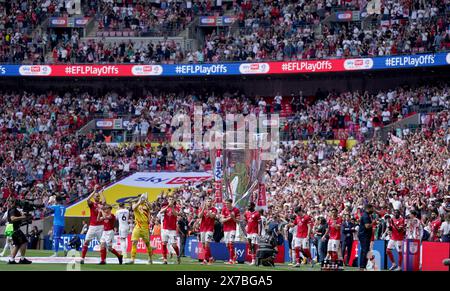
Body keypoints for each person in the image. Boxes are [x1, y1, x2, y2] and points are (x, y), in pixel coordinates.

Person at [80, 186, 106, 264]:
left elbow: (104, 201)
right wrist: (94, 191)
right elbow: (87, 199)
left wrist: (101, 193)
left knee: (102, 243)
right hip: (92, 226)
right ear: (94, 197)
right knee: (86, 242)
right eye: (96, 196)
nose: (97, 197)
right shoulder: (92, 204)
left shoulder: (101, 204)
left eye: (98, 196)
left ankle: (103, 260)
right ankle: (82, 258)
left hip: (100, 226)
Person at [127, 193, 153, 264]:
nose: (142, 199)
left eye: (142, 198)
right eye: (141, 198)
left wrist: (147, 200)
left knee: (147, 244)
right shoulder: (135, 204)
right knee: (134, 242)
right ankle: (132, 259)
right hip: (138, 226)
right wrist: (139, 202)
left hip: (145, 227)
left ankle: (150, 258)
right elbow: (133, 208)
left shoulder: (146, 205)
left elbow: (151, 208)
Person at [6, 199, 32, 264]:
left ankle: (11, 260)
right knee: (24, 242)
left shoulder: (12, 209)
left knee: (17, 244)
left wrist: (24, 217)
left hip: (12, 229)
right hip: (15, 229)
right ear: (14, 203)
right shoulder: (13, 210)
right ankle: (22, 259)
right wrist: (22, 217)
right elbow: (13, 218)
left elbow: (15, 219)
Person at [159, 196, 181, 264]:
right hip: (165, 229)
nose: (171, 200)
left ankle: (178, 255)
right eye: (170, 199)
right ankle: (165, 259)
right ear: (168, 200)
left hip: (172, 230)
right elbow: (161, 212)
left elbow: (176, 214)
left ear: (174, 200)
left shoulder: (176, 208)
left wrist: (171, 207)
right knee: (164, 243)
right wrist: (168, 206)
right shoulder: (165, 207)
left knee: (174, 245)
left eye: (172, 199)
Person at [198, 197, 217, 265]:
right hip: (202, 228)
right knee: (204, 245)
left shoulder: (214, 209)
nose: (209, 202)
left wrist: (208, 210)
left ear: (211, 202)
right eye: (208, 201)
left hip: (210, 229)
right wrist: (203, 209)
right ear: (205, 202)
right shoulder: (201, 209)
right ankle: (211, 257)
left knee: (207, 244)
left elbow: (212, 216)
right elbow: (199, 216)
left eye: (210, 201)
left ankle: (205, 260)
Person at [221, 198, 240, 264]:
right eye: (225, 203)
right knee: (227, 245)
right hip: (225, 229)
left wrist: (233, 218)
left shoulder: (236, 210)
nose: (226, 204)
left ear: (231, 203)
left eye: (228, 203)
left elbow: (238, 222)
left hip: (232, 228)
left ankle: (231, 260)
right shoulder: (224, 209)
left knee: (231, 243)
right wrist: (230, 217)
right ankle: (234, 257)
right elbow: (222, 220)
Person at [244, 201, 261, 266]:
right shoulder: (247, 213)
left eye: (249, 206)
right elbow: (246, 220)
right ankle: (253, 259)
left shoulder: (257, 213)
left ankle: (254, 260)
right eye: (248, 206)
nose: (248, 207)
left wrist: (260, 232)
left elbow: (260, 223)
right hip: (249, 232)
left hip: (254, 231)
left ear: (253, 206)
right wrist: (246, 227)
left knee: (254, 245)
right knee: (250, 246)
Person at [358, 204, 374, 270]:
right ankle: (362, 267)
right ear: (369, 208)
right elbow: (367, 226)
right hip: (364, 235)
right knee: (365, 251)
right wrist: (373, 223)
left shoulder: (366, 215)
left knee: (364, 251)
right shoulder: (365, 216)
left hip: (364, 235)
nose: (372, 210)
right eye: (372, 209)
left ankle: (362, 266)